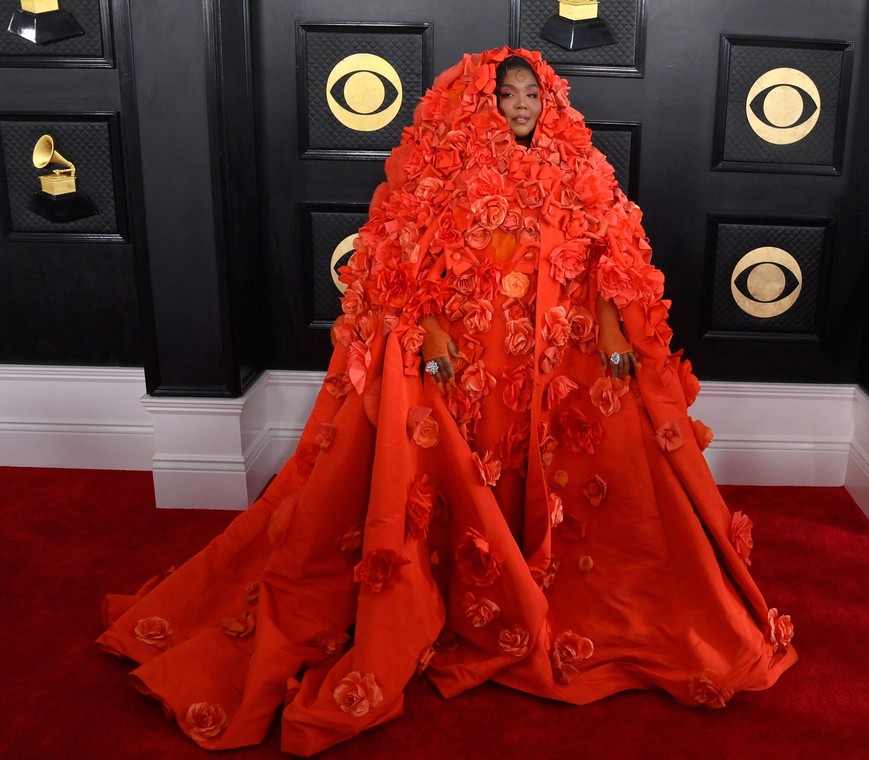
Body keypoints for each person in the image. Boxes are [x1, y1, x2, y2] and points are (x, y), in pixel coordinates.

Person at [97, 48, 796, 756]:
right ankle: (470, 596)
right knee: (475, 469)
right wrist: (430, 332)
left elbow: (604, 250)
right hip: (472, 353)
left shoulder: (580, 166)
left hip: (553, 350)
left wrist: (614, 326)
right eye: (507, 95)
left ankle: (541, 577)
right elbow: (401, 261)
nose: (520, 106)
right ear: (478, 103)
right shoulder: (443, 167)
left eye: (532, 94)